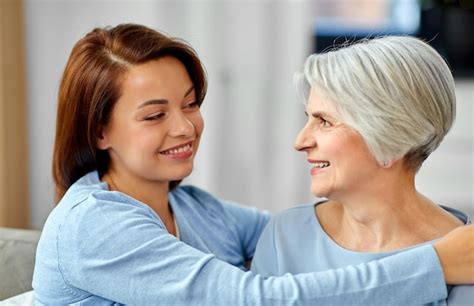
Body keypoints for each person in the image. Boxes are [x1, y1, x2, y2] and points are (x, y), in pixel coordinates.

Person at [32, 24, 474, 305]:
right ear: (99, 133)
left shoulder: (199, 211)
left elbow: (310, 232)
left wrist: (422, 220)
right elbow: (257, 300)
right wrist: (437, 263)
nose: (185, 128)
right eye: (154, 115)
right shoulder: (94, 226)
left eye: (190, 104)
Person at [251, 36, 474, 305]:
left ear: (391, 141)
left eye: (324, 122)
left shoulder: (467, 258)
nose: (300, 142)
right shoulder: (286, 236)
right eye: (308, 118)